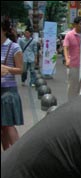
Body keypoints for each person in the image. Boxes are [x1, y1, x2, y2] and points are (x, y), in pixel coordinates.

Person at [1, 18, 24, 151]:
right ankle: (6, 156)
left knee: (9, 125)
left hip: (8, 92)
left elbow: (20, 69)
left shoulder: (14, 47)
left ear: (4, 30)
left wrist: (6, 69)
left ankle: (18, 155)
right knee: (2, 127)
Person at [63, 16, 81, 100]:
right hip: (73, 64)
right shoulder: (69, 35)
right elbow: (65, 47)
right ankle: (70, 103)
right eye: (80, 24)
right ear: (75, 25)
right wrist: (67, 59)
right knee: (72, 86)